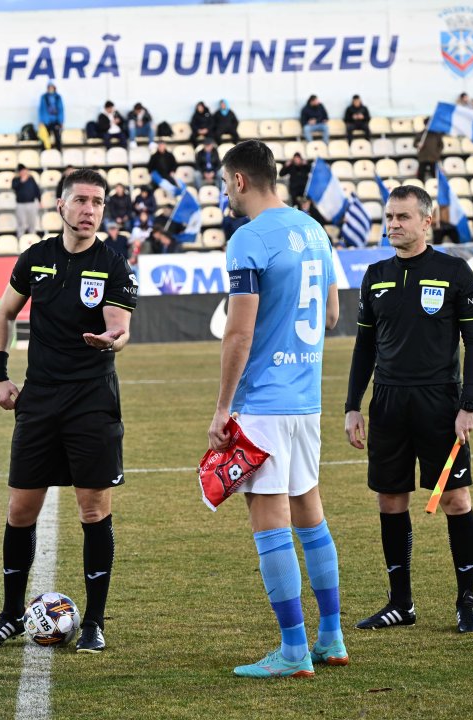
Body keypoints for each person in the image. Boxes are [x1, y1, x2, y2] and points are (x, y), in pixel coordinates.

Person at [0, 168, 138, 654]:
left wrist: (111, 341)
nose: (89, 210)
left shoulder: (115, 265)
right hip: (39, 400)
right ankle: (9, 615)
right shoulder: (36, 259)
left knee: (94, 510)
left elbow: (119, 328)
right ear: (61, 206)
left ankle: (94, 622)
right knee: (20, 509)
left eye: (98, 202)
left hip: (91, 401)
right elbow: (4, 313)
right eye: (81, 200)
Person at [207, 139, 343, 678]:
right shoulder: (315, 230)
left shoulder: (247, 239)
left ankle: (292, 650)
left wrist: (222, 408)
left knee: (270, 523)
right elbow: (331, 315)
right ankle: (330, 636)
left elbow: (238, 333)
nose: (224, 193)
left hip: (263, 402)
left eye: (224, 183)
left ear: (239, 181)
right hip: (305, 398)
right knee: (311, 513)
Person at [344, 185, 473, 635]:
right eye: (389, 217)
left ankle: (466, 602)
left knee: (455, 499)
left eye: (403, 217)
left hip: (440, 402)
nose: (393, 225)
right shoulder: (376, 274)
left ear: (426, 221)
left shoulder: (454, 271)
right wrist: (353, 406)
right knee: (390, 498)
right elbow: (364, 346)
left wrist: (469, 404)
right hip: (387, 402)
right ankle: (400, 603)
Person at [12, 164, 41, 236]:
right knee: (21, 222)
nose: (24, 172)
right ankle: (20, 237)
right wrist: (22, 181)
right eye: (22, 171)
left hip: (31, 203)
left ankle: (33, 236)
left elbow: (36, 189)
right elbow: (14, 187)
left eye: (25, 170)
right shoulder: (16, 179)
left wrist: (39, 200)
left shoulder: (31, 179)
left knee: (32, 222)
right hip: (20, 204)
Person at [414, 118, 443, 183]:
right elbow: (414, 144)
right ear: (425, 124)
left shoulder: (436, 135)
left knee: (435, 175)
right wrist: (418, 144)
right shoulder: (421, 134)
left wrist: (437, 153)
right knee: (420, 175)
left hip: (433, 157)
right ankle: (420, 189)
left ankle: (435, 188)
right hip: (423, 157)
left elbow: (441, 145)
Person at [39, 81, 64, 151]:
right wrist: (41, 121)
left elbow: (61, 109)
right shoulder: (44, 97)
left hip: (55, 120)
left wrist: (61, 121)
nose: (50, 89)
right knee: (45, 138)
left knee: (57, 138)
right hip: (46, 121)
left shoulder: (58, 97)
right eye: (49, 87)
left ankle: (59, 153)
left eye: (51, 87)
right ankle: (44, 153)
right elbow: (41, 110)